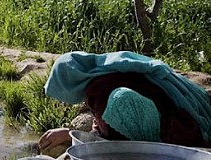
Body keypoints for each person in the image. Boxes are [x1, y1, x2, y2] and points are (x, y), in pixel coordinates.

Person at [38, 51, 211, 152]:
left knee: (121, 100)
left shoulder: (100, 91)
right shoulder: (109, 73)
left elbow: (113, 143)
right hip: (182, 122)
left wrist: (69, 135)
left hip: (175, 140)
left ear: (70, 83)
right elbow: (100, 127)